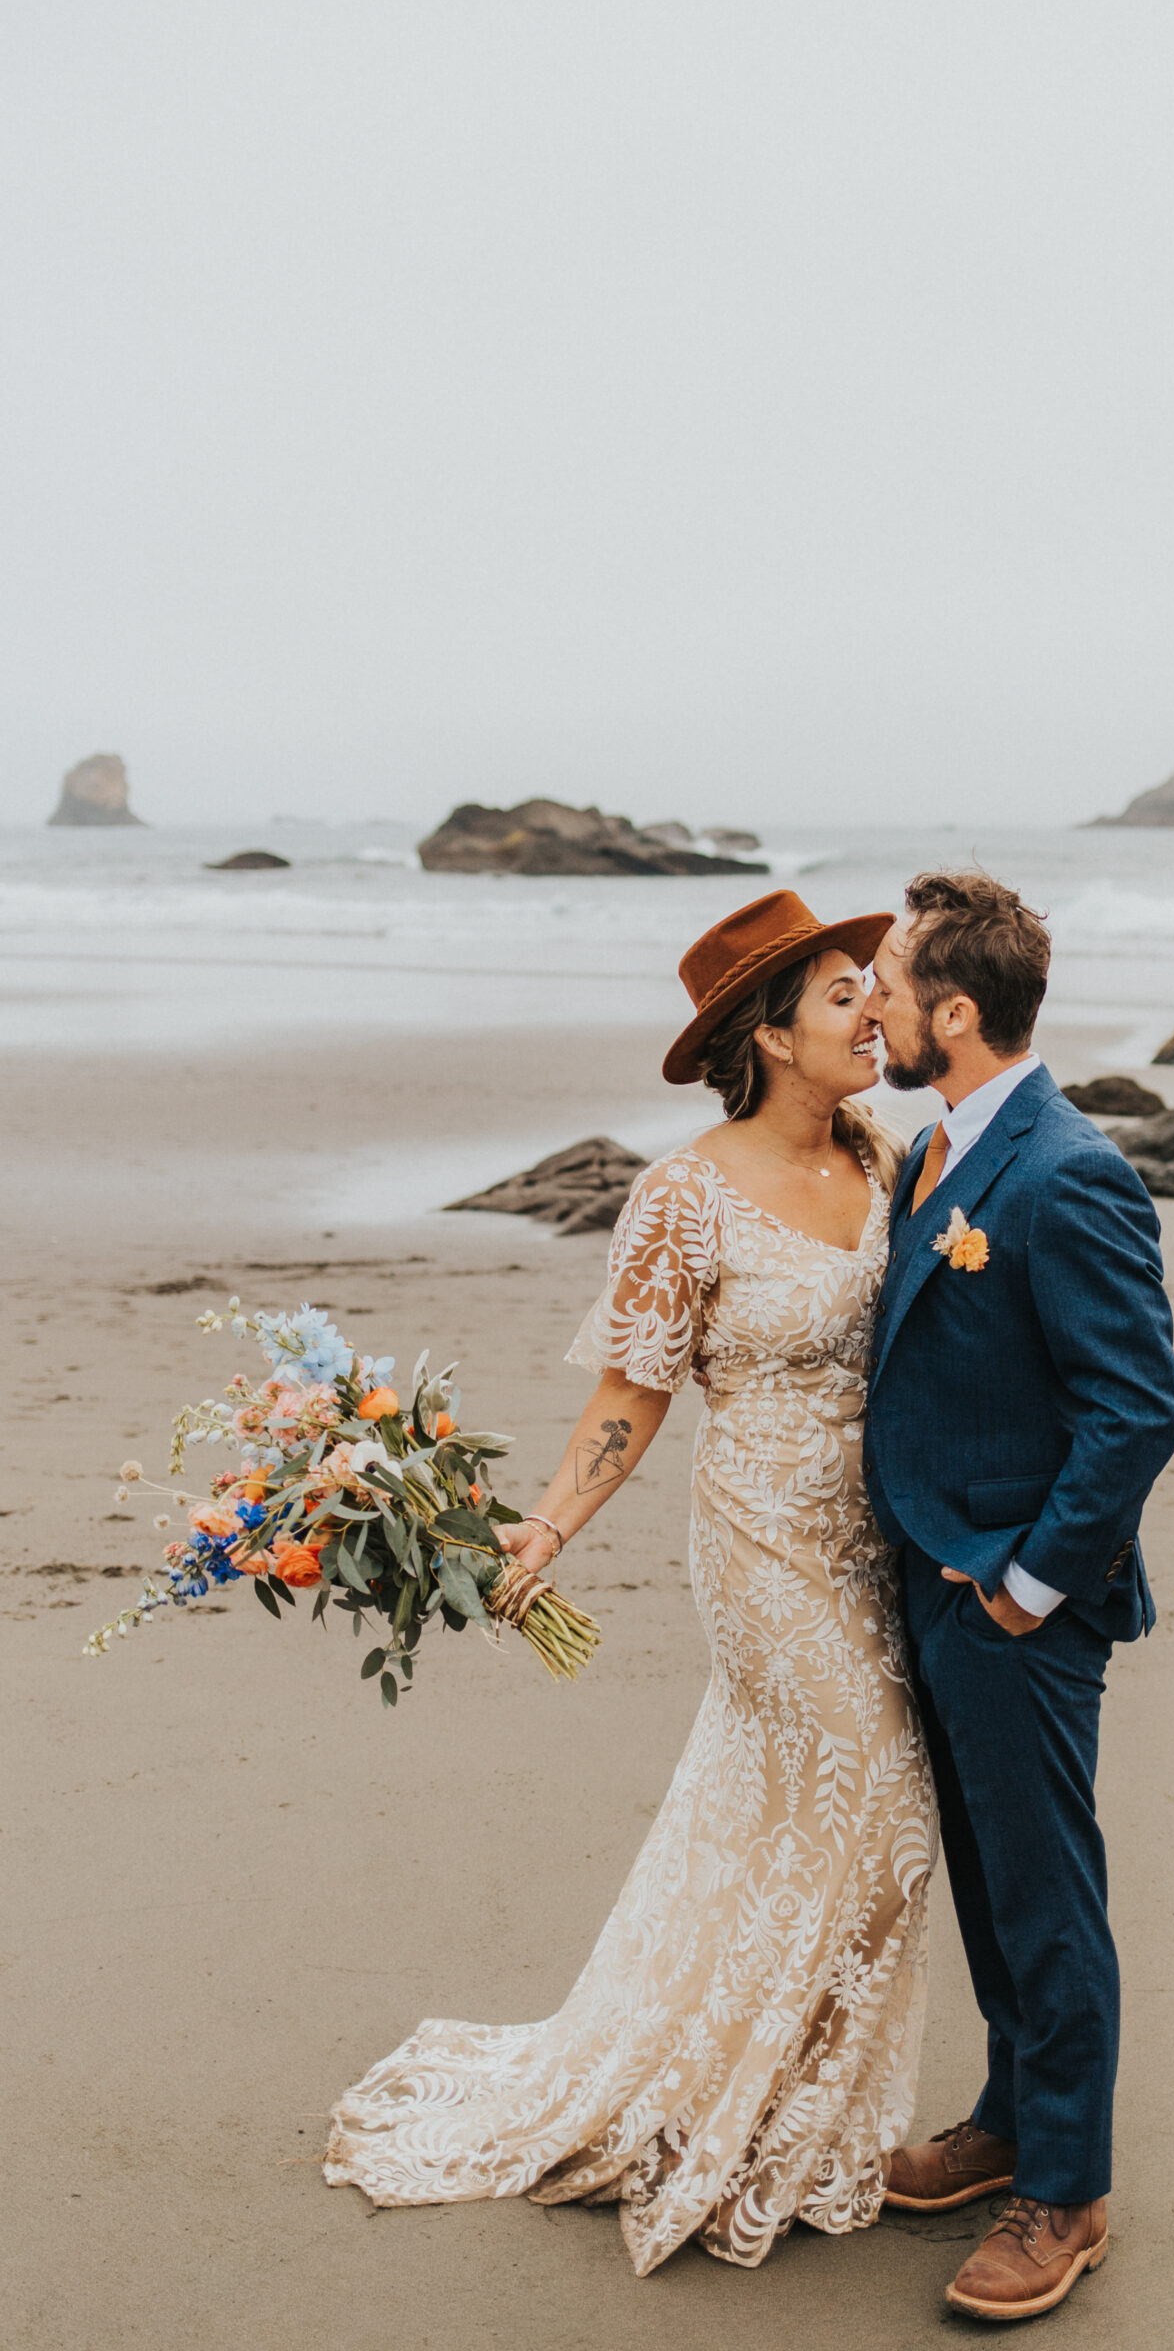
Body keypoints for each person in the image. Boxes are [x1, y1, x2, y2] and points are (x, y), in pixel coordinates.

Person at [325, 890, 936, 2277]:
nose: (870, 1013)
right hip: (764, 1544)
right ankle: (716, 2106)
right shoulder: (682, 1196)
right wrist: (541, 1534)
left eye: (866, 990)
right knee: (880, 1803)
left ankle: (787, 2095)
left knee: (814, 1827)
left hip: (880, 1546)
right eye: (841, 994)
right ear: (768, 1033)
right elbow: (632, 1391)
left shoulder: (890, 1160)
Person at [861, 869, 1174, 2323]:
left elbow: (1136, 1409)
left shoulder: (1066, 1171)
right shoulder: (932, 1151)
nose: (867, 1001)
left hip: (1013, 1601)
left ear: (955, 1011)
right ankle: (1005, 2120)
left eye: (884, 980)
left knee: (1047, 1891)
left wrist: (1028, 1586)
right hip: (929, 1582)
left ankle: (1066, 2192)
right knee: (988, 1877)